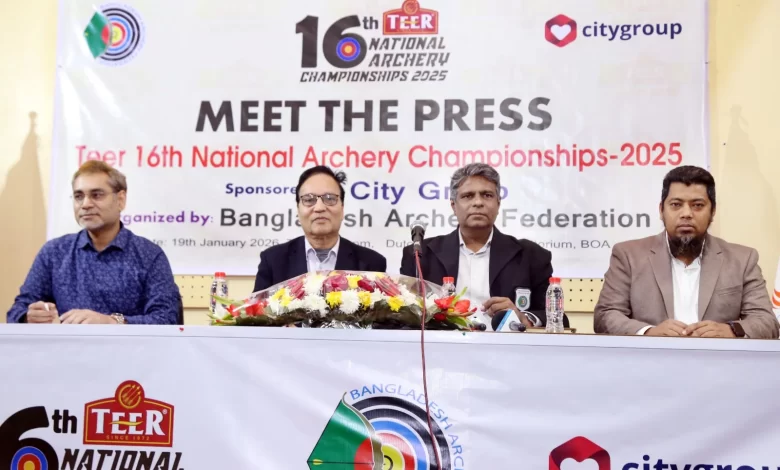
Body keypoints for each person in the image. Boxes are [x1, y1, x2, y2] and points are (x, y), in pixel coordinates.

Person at [594, 165, 779, 338]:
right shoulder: (628, 256)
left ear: (713, 211)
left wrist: (731, 330)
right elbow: (605, 316)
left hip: (717, 361)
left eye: (697, 205)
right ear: (661, 210)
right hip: (651, 360)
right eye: (676, 204)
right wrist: (649, 332)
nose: (686, 214)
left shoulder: (742, 259)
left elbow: (767, 322)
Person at [6, 161, 181, 324]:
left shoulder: (149, 255)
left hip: (128, 348)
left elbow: (167, 318)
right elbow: (16, 312)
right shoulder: (54, 253)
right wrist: (29, 316)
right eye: (78, 196)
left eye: (96, 195)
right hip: (68, 348)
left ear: (120, 200)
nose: (86, 204)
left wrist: (112, 322)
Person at [400, 163, 566, 329]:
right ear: (453, 206)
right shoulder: (420, 255)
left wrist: (523, 317)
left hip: (504, 344)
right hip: (442, 342)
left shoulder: (531, 256)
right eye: (468, 196)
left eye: (487, 195)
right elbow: (401, 315)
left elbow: (559, 319)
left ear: (498, 203)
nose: (478, 202)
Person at [253, 166, 387, 292]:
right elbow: (257, 308)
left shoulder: (371, 263)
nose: (319, 208)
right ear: (298, 210)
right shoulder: (273, 261)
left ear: (342, 208)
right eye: (309, 200)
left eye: (330, 199)